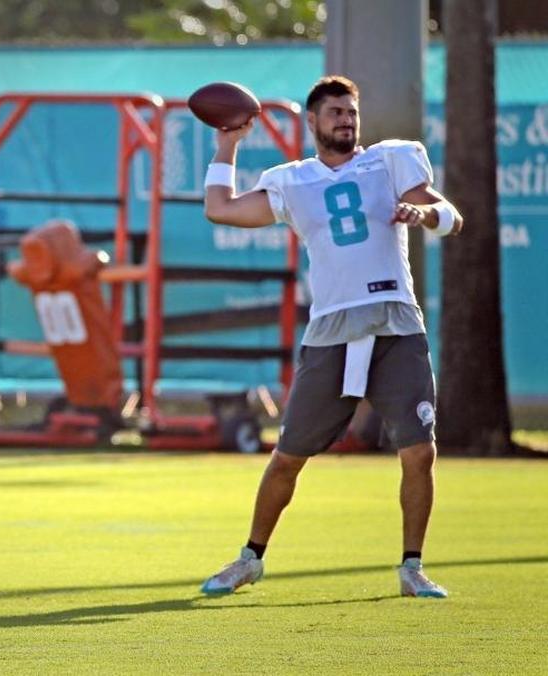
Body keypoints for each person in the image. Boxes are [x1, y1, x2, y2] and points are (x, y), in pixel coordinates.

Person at [199, 75, 462, 599]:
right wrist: (226, 144)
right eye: (335, 112)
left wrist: (424, 214)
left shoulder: (391, 159)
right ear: (313, 122)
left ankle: (412, 568)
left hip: (394, 322)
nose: (346, 119)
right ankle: (250, 558)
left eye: (351, 112)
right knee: (289, 455)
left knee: (418, 451)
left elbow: (449, 214)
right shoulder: (292, 180)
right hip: (333, 329)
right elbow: (220, 208)